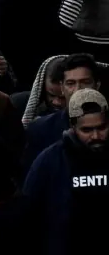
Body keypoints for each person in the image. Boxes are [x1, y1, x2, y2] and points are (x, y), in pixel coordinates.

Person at [21, 85, 109, 255]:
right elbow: (28, 214)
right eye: (87, 130)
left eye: (102, 127)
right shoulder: (49, 161)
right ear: (72, 126)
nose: (96, 136)